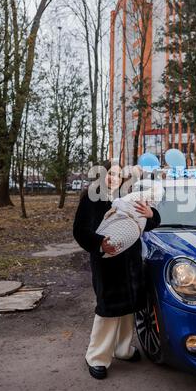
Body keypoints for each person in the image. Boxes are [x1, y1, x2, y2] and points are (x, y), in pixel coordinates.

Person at [73, 160, 161, 379]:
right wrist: (99, 243)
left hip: (131, 261)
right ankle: (96, 357)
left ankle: (122, 349)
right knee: (109, 310)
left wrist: (151, 215)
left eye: (118, 174)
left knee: (129, 309)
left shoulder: (127, 195)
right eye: (110, 174)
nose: (114, 178)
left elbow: (144, 224)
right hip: (107, 263)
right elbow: (80, 231)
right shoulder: (92, 198)